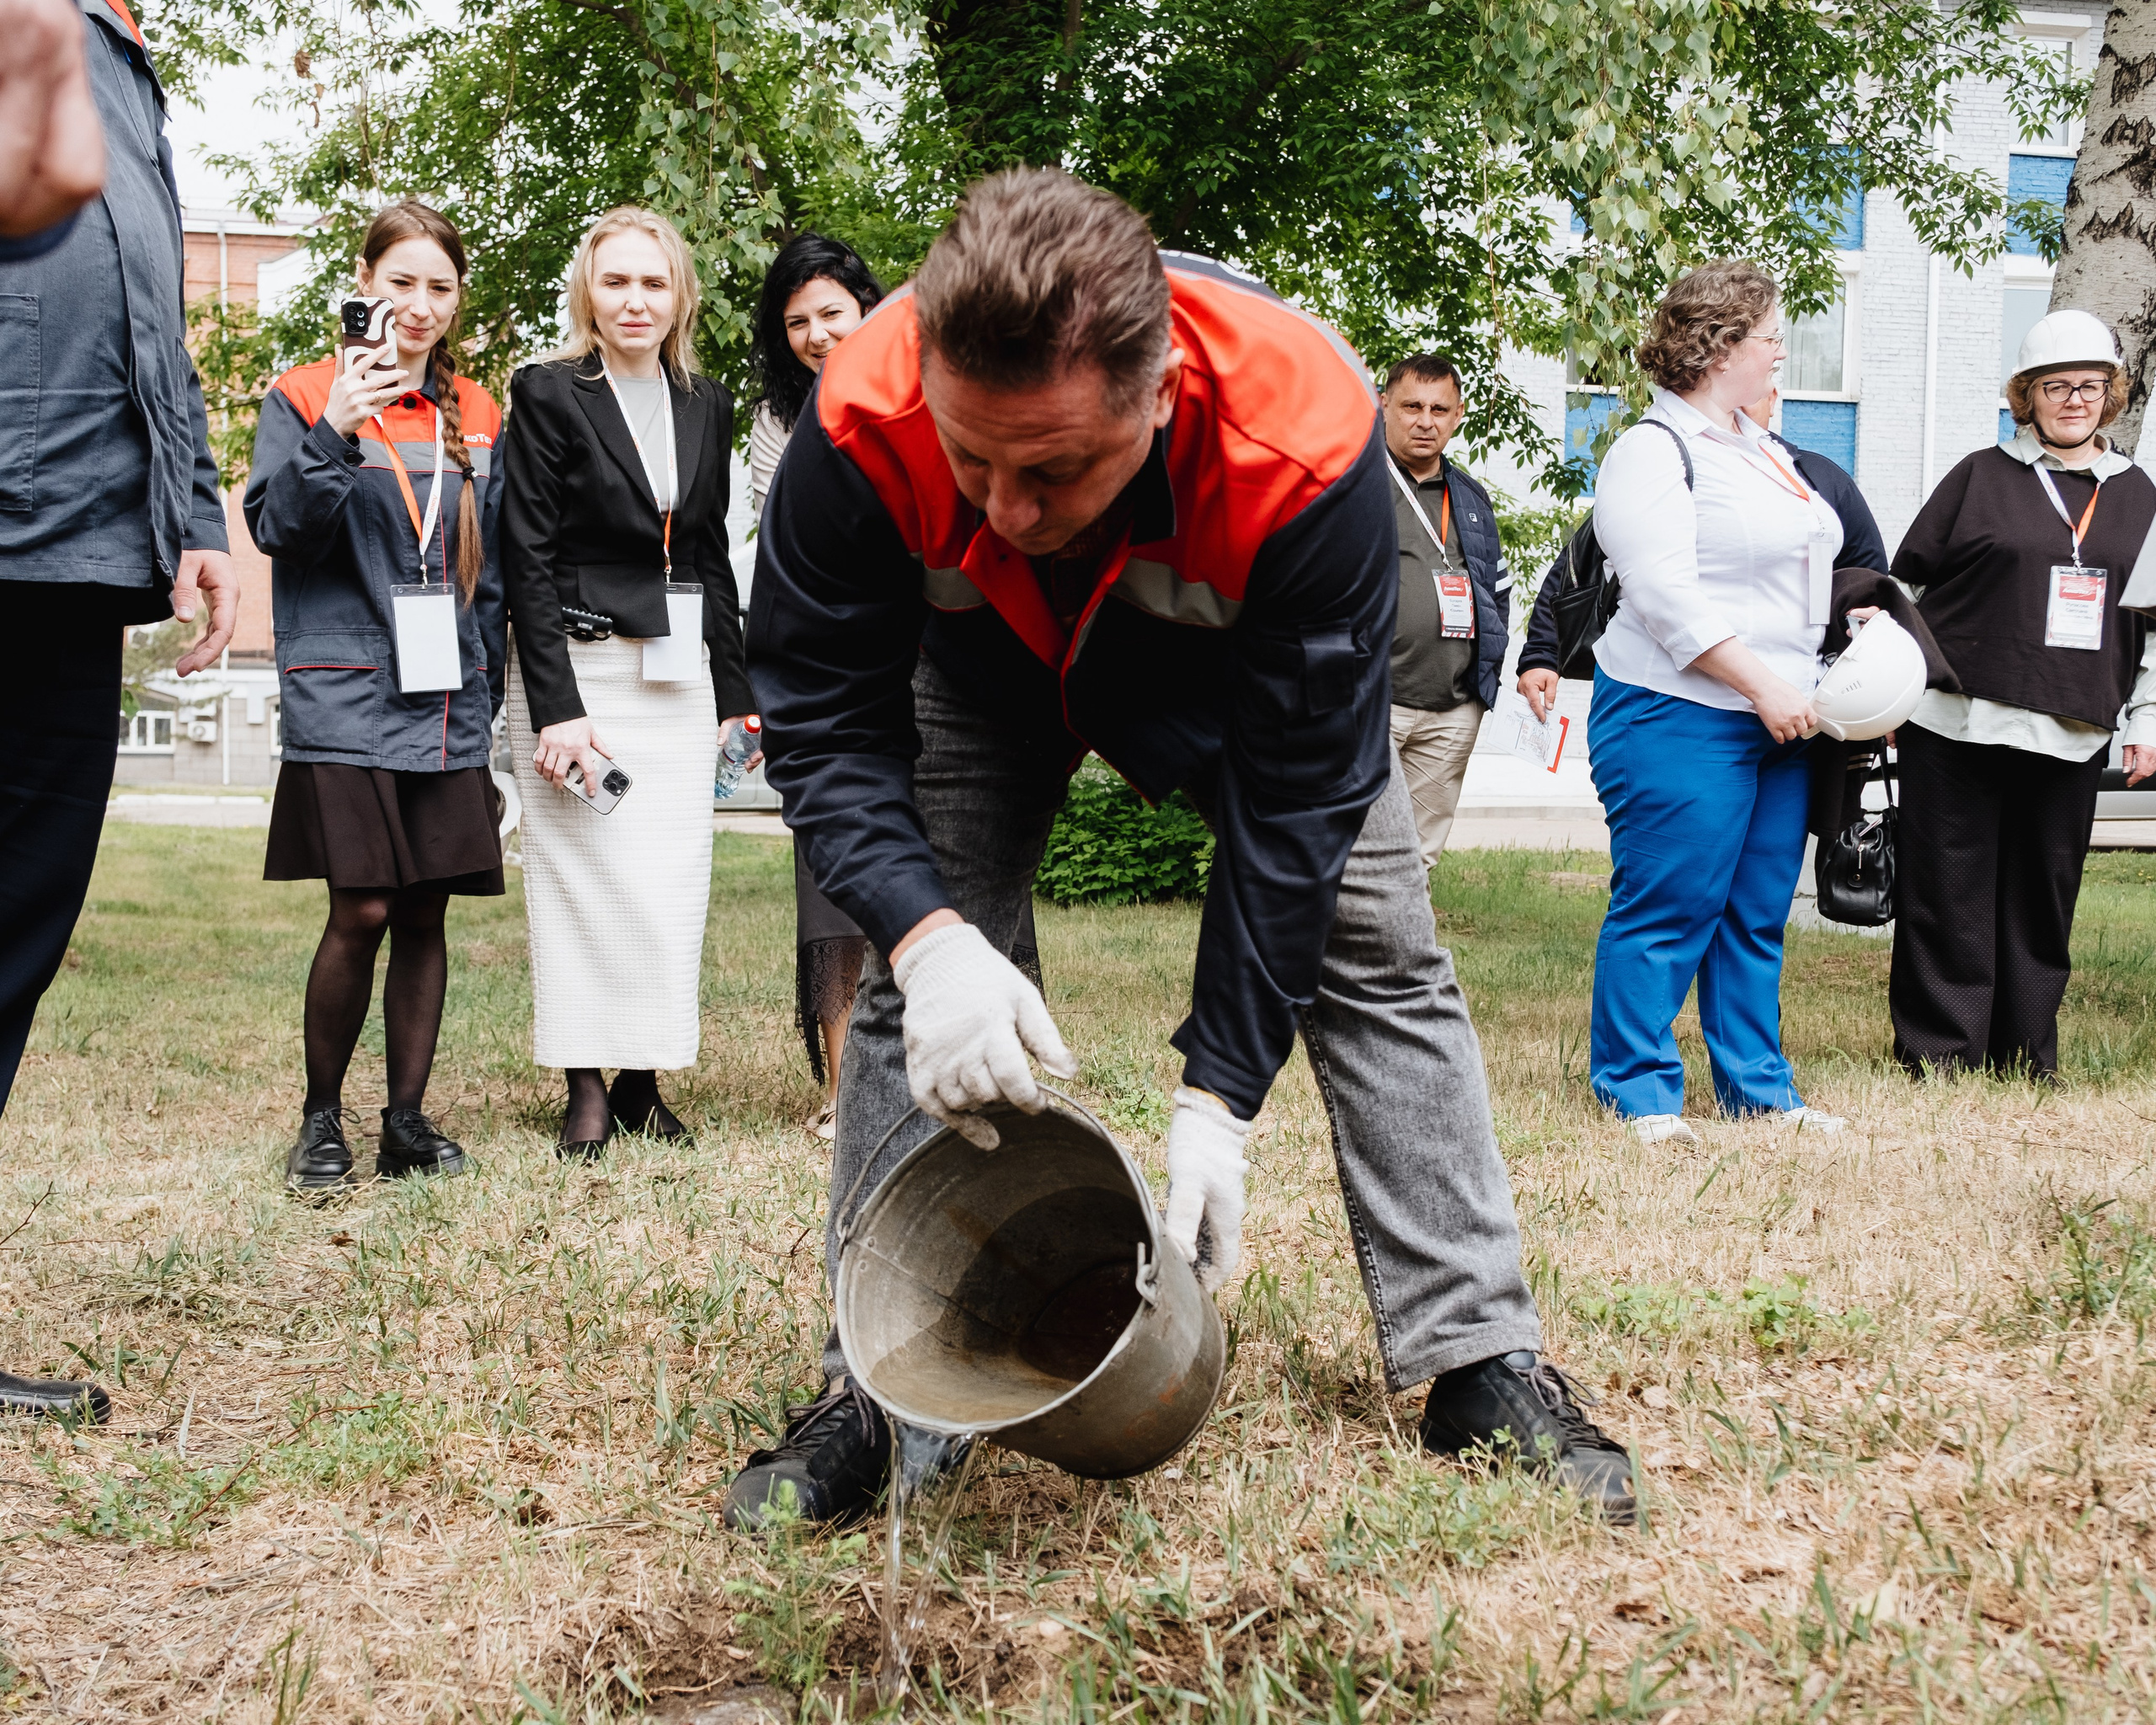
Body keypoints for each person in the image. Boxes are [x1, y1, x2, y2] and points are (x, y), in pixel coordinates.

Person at [729, 168, 1636, 1530]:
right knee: (921, 976)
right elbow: (820, 721)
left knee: (1379, 943)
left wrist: (1220, 1092)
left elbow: (1299, 806)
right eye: (972, 460)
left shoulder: (1308, 438)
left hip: (1223, 661)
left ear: (1157, 397)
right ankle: (884, 1379)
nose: (1004, 507)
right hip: (973, 660)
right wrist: (924, 932)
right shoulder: (860, 415)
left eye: (1051, 469)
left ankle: (1475, 1352)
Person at [0, 0, 236, 1419]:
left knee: (15, 939)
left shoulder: (124, 60)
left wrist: (192, 511)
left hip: (83, 554)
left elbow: (154, 316)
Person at [246, 200, 507, 1194]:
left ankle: (406, 1119)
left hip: (447, 693)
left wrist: (491, 691)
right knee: (359, 906)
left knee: (425, 910)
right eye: (401, 282)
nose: (420, 304)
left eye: (439, 287)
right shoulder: (304, 392)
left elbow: (493, 573)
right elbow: (276, 526)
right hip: (344, 689)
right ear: (365, 280)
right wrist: (334, 429)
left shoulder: (473, 411)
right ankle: (322, 1121)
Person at [1577, 261, 1854, 1146]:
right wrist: (1764, 684)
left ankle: (1759, 1089)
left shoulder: (1762, 447)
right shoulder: (1652, 450)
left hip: (1781, 716)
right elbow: (1665, 596)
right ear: (1721, 345)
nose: (1782, 355)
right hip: (1677, 711)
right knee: (1669, 902)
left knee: (1755, 907)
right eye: (1773, 337)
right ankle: (1638, 1090)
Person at [498, 206, 753, 1157]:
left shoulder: (707, 402)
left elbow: (713, 556)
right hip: (578, 673)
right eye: (617, 282)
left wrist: (737, 694)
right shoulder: (550, 392)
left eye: (653, 282)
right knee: (575, 877)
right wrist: (556, 709)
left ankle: (645, 1078)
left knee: (667, 879)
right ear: (588, 294)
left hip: (674, 676)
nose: (635, 300)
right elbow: (525, 556)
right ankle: (586, 1085)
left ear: (679, 293)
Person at [1889, 309, 2156, 1079]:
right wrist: (1881, 694)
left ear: (2111, 394)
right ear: (2027, 395)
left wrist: (2145, 721)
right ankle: (1941, 1053)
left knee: (2042, 901)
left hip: (2073, 725)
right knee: (1949, 891)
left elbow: (2153, 630)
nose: (2074, 399)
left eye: (2090, 385)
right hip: (1955, 720)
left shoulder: (2139, 496)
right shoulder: (1979, 476)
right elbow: (1905, 589)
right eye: (2055, 386)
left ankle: (2024, 1057)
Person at [747, 233, 885, 1138]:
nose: (815, 333)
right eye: (796, 321)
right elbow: (768, 548)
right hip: (826, 669)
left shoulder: (920, 392)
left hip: (921, 660)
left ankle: (950, 1071)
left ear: (867, 309)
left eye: (830, 313)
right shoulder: (775, 420)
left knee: (944, 860)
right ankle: (844, 1088)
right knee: (830, 877)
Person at [1516, 386, 1890, 717]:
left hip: (1803, 704)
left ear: (1774, 400)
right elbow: (1579, 563)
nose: (1739, 410)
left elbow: (1866, 577)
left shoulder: (1819, 481)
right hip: (1681, 699)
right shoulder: (1668, 461)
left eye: (1752, 396)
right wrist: (1542, 655)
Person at [1379, 355, 1512, 868]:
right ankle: (1323, 949)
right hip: (1370, 704)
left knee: (1417, 859)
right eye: (1412, 405)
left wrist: (1484, 686)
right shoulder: (1353, 482)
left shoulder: (1472, 499)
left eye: (1440, 408)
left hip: (1452, 711)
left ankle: (1400, 950)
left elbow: (1493, 593)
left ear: (1458, 415)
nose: (1425, 420)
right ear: (1384, 403)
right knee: (1352, 846)